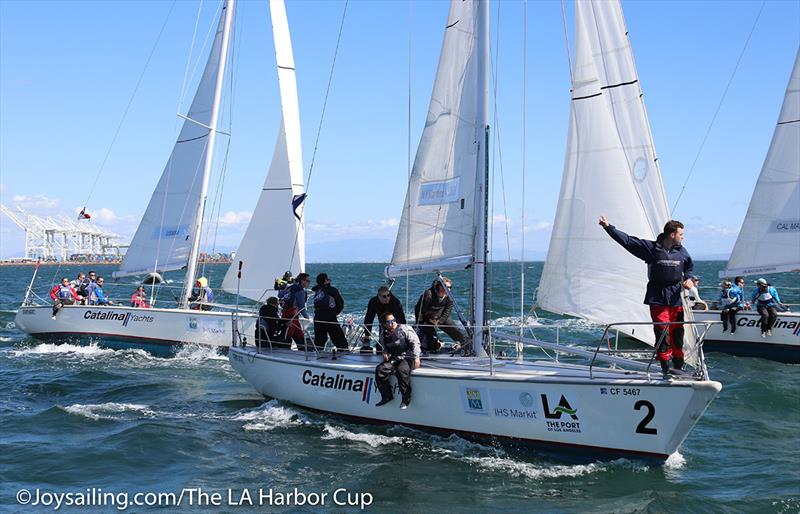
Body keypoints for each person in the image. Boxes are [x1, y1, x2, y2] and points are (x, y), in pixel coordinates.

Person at [599, 216, 693, 375]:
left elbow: (689, 268)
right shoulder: (651, 249)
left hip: (675, 297)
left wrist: (690, 279)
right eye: (681, 234)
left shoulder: (682, 251)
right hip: (657, 297)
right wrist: (608, 227)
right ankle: (665, 368)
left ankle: (678, 366)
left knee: (677, 332)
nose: (683, 237)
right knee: (662, 331)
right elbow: (628, 241)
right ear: (672, 234)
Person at [374, 312, 421, 409]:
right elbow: (385, 347)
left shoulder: (404, 329)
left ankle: (406, 399)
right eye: (389, 321)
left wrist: (416, 357)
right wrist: (385, 352)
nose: (393, 323)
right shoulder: (383, 335)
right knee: (380, 369)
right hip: (396, 358)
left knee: (401, 370)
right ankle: (387, 396)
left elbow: (415, 343)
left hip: (409, 357)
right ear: (384, 324)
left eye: (394, 320)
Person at [414, 277, 467, 353]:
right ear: (439, 286)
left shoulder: (449, 296)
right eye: (445, 286)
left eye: (449, 287)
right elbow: (419, 309)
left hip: (441, 316)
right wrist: (424, 320)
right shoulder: (429, 294)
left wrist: (439, 321)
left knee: (455, 330)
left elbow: (448, 311)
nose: (447, 289)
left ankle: (465, 345)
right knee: (426, 336)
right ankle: (430, 347)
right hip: (428, 317)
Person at [311, 273, 348, 350]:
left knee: (319, 341)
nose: (330, 280)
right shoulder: (332, 290)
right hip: (330, 318)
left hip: (318, 318)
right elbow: (340, 303)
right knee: (340, 340)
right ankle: (344, 355)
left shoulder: (317, 290)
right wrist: (334, 313)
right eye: (328, 279)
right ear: (325, 281)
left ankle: (318, 356)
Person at [281, 273, 311, 348]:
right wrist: (308, 319)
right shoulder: (301, 291)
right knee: (287, 337)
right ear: (302, 281)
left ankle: (303, 352)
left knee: (299, 336)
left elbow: (281, 296)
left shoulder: (290, 287)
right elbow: (302, 308)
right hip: (292, 317)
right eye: (307, 281)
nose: (309, 283)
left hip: (287, 315)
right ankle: (284, 353)